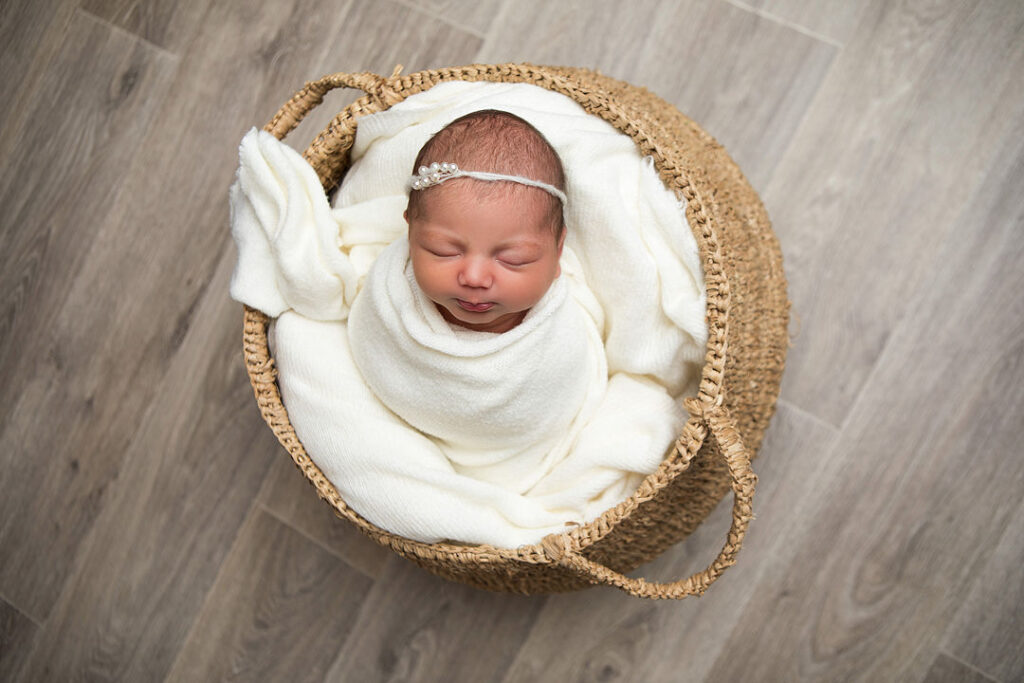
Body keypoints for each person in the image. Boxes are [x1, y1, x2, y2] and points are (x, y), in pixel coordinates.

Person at [403, 109, 567, 334]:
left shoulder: (563, 324)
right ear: (410, 233)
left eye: (513, 259)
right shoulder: (392, 295)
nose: (474, 278)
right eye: (443, 251)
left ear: (558, 251)